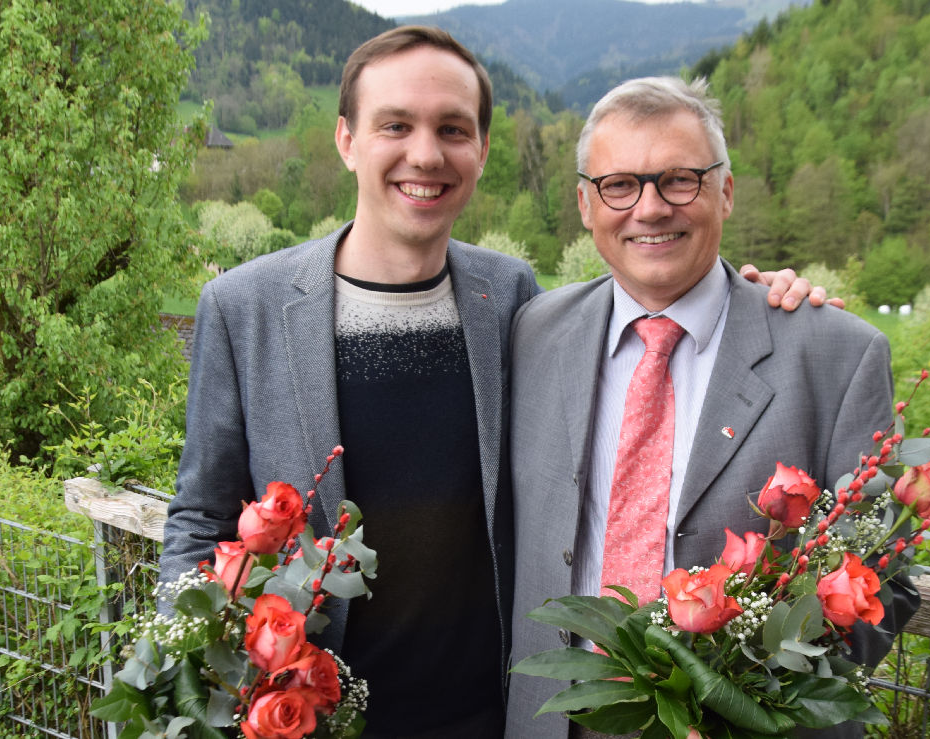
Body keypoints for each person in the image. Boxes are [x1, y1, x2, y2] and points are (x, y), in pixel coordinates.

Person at [159, 26, 832, 739]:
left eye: (452, 128)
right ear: (347, 139)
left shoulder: (511, 299)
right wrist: (206, 676)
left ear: (480, 151)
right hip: (313, 716)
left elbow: (651, 293)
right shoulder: (245, 309)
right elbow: (201, 518)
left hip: (493, 715)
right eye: (396, 125)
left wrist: (756, 305)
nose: (426, 153)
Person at [504, 76, 917, 739]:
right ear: (585, 204)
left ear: (724, 191)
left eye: (679, 180)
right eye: (619, 185)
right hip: (555, 720)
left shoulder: (836, 354)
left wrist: (757, 687)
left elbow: (888, 584)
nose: (650, 208)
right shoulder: (532, 332)